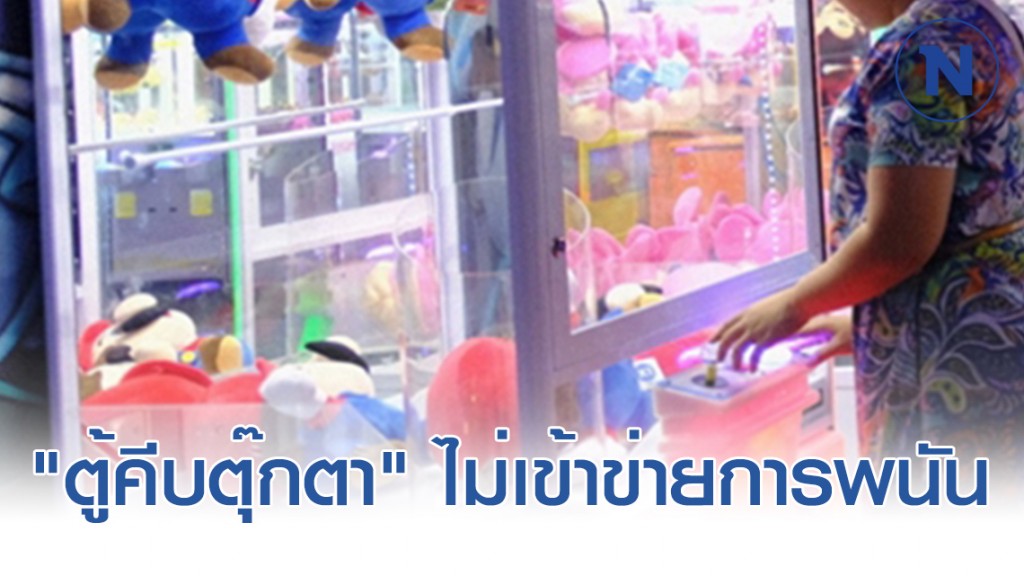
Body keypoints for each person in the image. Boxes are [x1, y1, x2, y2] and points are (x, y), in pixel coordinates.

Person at [714, 0, 1024, 476]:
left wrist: (794, 305)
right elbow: (966, 171)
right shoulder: (979, 20)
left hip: (949, 347)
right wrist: (865, 324)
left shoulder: (922, 49)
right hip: (994, 321)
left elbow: (899, 241)